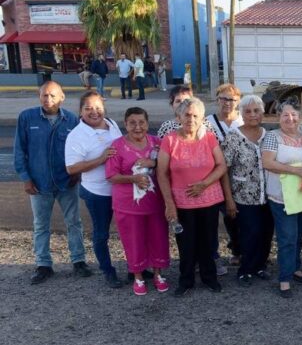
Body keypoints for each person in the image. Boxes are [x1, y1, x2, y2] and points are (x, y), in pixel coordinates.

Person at [14, 81, 91, 284]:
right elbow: (20, 150)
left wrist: (78, 174)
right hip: (39, 184)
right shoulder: (27, 118)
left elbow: (81, 149)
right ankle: (43, 264)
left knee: (74, 222)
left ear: (62, 97)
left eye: (52, 95)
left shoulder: (72, 120)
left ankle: (79, 261)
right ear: (39, 96)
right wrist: (26, 178)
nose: (48, 100)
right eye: (44, 95)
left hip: (67, 182)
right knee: (41, 225)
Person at [157, 97, 227, 297]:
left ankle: (209, 278)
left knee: (208, 241)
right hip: (182, 202)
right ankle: (186, 280)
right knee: (185, 243)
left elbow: (221, 165)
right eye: (187, 115)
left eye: (196, 115)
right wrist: (169, 204)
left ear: (202, 118)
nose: (191, 119)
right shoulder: (170, 140)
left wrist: (204, 184)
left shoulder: (209, 137)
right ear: (178, 116)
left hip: (209, 199)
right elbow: (162, 173)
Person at [105, 107, 170, 296]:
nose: (137, 127)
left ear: (148, 124)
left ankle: (158, 274)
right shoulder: (116, 146)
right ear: (125, 124)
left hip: (156, 203)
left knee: (158, 239)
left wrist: (154, 162)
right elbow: (111, 176)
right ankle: (138, 277)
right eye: (132, 123)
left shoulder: (157, 143)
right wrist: (132, 179)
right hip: (128, 205)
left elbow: (170, 163)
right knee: (134, 241)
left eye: (141, 122)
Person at [64, 91, 123, 288]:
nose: (94, 112)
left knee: (128, 230)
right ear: (80, 112)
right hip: (98, 193)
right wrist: (101, 159)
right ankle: (108, 271)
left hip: (120, 188)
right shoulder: (77, 135)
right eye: (88, 108)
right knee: (101, 234)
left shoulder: (111, 124)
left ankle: (136, 268)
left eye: (98, 107)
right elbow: (72, 168)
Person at [262, 101, 302, 298]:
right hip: (281, 197)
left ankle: (295, 268)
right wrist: (296, 170)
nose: (290, 119)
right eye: (285, 115)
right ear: (279, 118)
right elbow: (268, 163)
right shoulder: (272, 137)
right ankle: (284, 279)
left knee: (298, 235)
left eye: (293, 115)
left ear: (300, 118)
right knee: (287, 238)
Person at [220, 95, 274, 287]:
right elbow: (223, 169)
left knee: (266, 233)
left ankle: (260, 266)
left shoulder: (268, 135)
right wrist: (229, 200)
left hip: (267, 196)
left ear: (262, 113)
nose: (253, 115)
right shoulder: (234, 137)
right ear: (241, 114)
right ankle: (245, 269)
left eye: (256, 111)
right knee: (249, 233)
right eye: (248, 111)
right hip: (243, 196)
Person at [206, 83, 245, 271]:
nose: (228, 103)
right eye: (224, 98)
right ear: (217, 100)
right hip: (215, 177)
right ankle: (211, 256)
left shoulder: (244, 120)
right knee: (217, 217)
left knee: (238, 217)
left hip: (240, 178)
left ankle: (238, 250)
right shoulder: (207, 122)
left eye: (232, 99)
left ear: (238, 102)